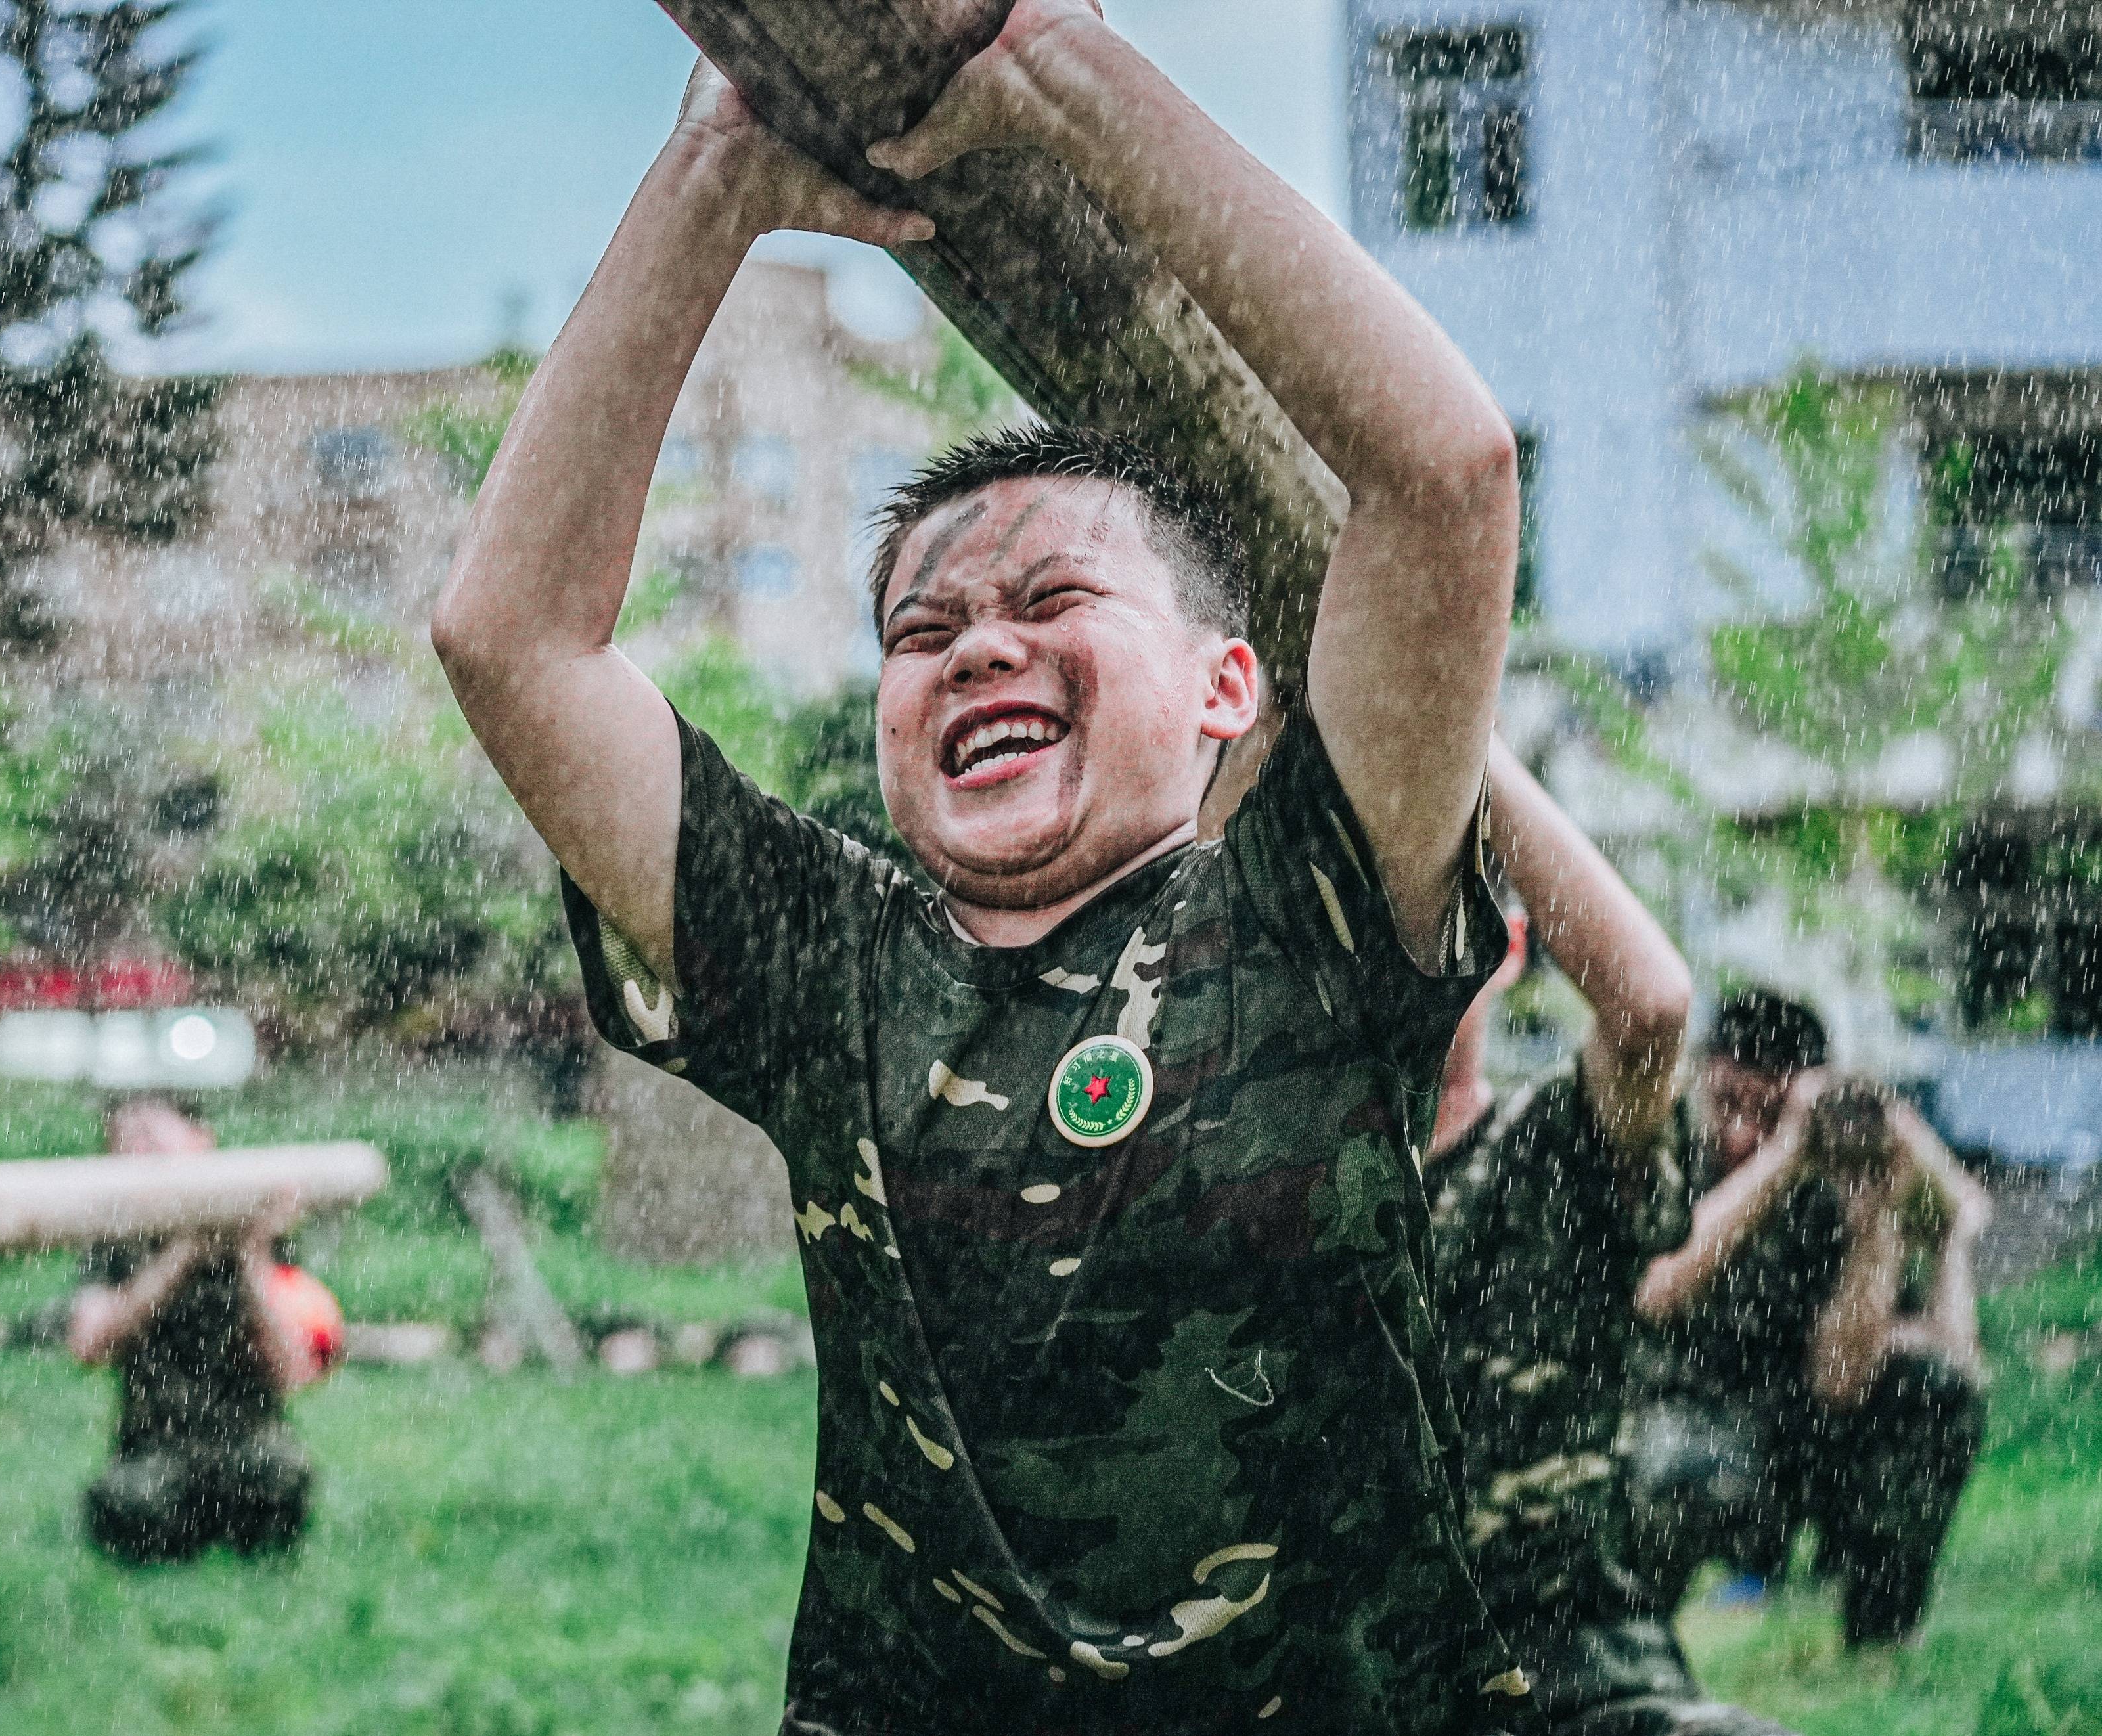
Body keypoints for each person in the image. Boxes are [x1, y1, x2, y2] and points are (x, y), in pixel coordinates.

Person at [432, 1, 1535, 1726]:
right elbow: (510, 641)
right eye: (921, 626)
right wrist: (712, 172)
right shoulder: (831, 965)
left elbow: (1447, 475)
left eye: (1047, 602)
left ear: (1228, 688)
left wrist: (1048, 74)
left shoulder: (1306, 904)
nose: (971, 650)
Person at [1427, 751, 1793, 1735]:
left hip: (1580, 1667)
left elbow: (1650, 1009)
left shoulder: (1553, 1143)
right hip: (1374, 1679)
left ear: (1505, 946)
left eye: (1419, 908)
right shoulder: (1287, 1180)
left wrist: (1445, 720)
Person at [1624, 993, 1990, 1649]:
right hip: (1694, 1425)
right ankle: (1630, 1642)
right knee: (1666, 1458)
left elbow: (1843, 1380)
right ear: (1702, 1078)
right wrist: (1781, 1155)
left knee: (1934, 1385)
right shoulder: (1669, 1144)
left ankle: (1880, 1634)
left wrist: (1884, 1212)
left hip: (1808, 1439)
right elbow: (1657, 1290)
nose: (1739, 1132)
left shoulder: (1838, 1172)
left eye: (1764, 1113)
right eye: (1727, 1104)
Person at [66, 1097, 323, 1565]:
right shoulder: (115, 1237)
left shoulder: (261, 1231)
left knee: (276, 1477)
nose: (138, 1149)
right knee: (132, 1504)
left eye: (152, 1135)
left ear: (202, 1140)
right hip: (153, 1447)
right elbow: (88, 1345)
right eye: (125, 1141)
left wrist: (248, 1256)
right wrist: (183, 1253)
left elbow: (295, 1368)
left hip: (247, 1444)